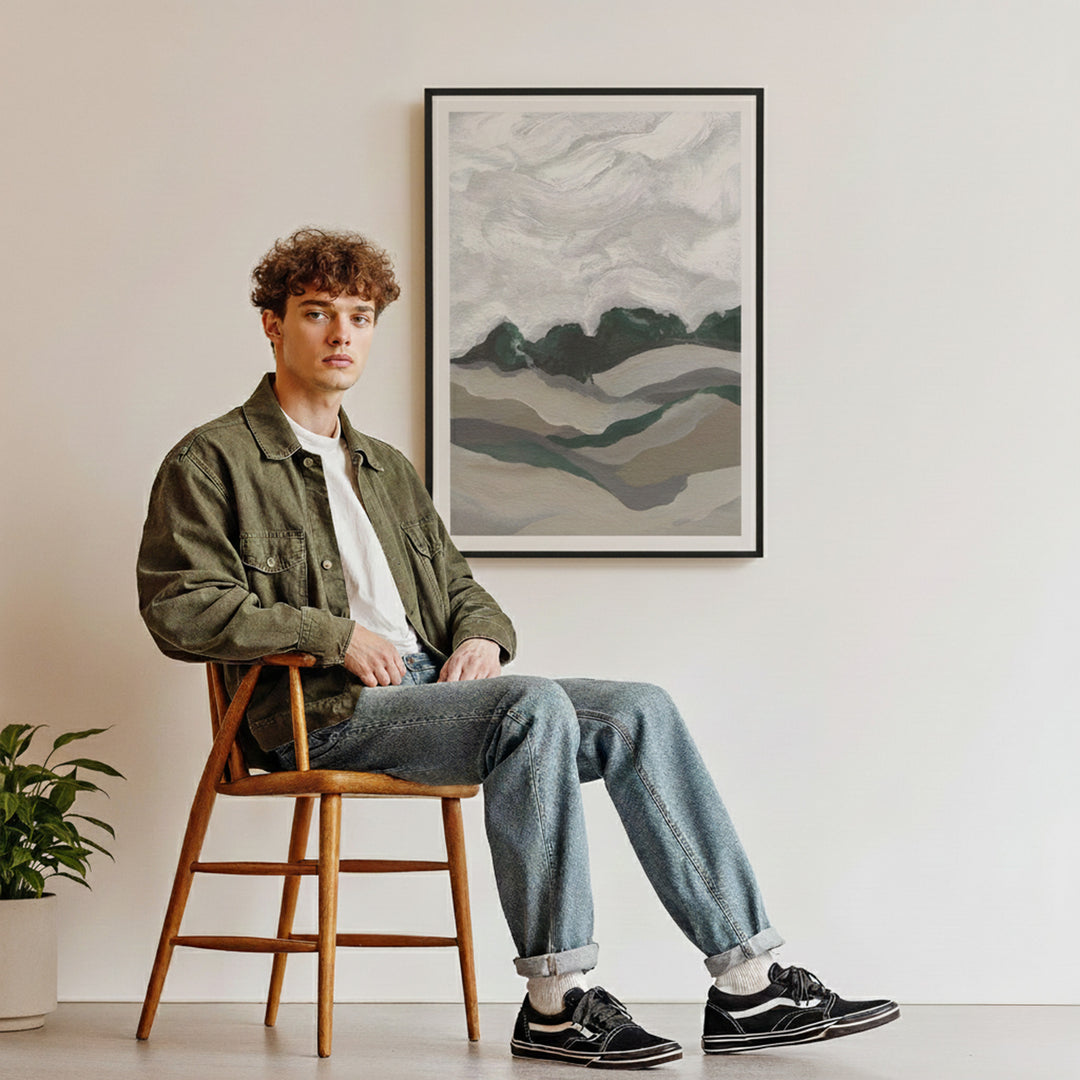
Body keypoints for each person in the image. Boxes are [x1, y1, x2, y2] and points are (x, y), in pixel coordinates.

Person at [137, 226, 898, 1068]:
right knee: (531, 706)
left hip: (433, 697)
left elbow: (465, 590)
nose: (342, 333)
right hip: (321, 711)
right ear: (275, 326)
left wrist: (482, 641)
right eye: (318, 313)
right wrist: (332, 633)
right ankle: (556, 1001)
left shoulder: (385, 468)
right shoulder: (212, 459)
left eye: (359, 315)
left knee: (638, 707)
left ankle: (748, 985)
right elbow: (180, 606)